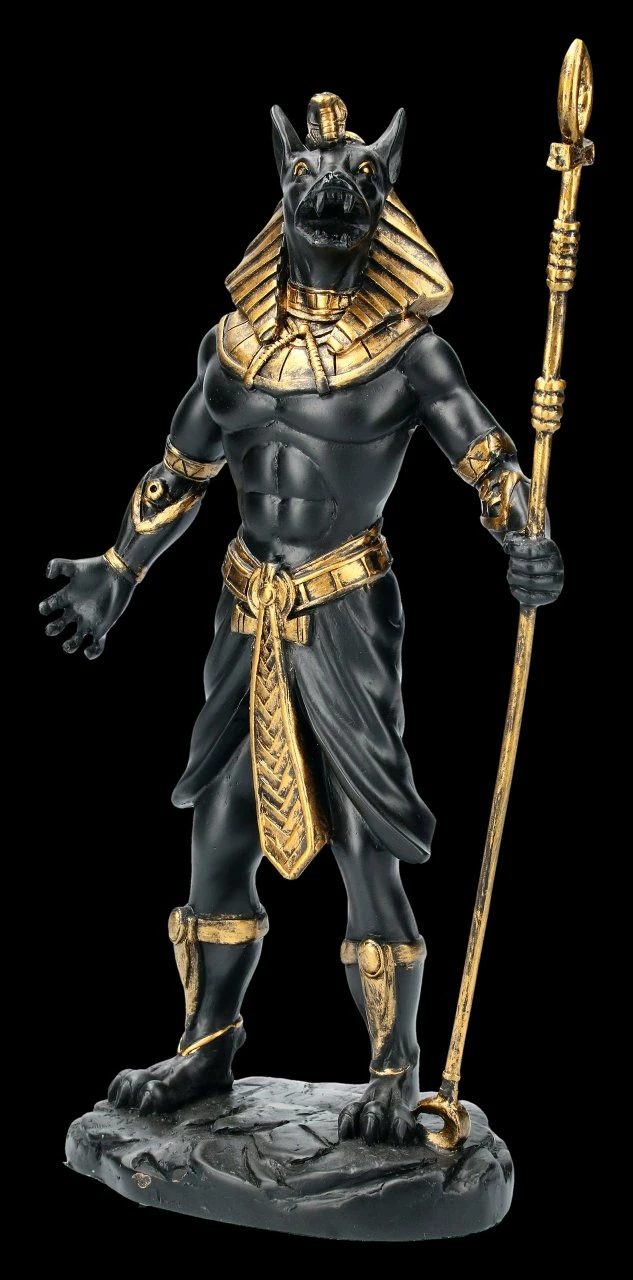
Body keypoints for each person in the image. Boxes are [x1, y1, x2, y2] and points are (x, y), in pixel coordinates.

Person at [40, 92, 563, 1147]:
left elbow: (488, 459)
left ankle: (394, 1067)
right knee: (220, 823)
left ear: (383, 207)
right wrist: (116, 568)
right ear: (282, 194)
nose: (329, 195)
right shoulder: (230, 347)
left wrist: (525, 532)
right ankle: (205, 1043)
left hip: (342, 607)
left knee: (366, 836)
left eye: (358, 179)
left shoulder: (410, 353)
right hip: (244, 610)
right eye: (308, 177)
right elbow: (181, 471)